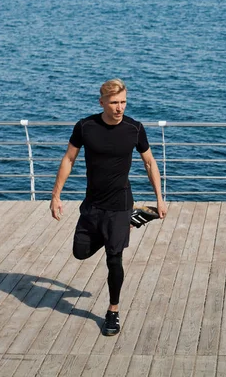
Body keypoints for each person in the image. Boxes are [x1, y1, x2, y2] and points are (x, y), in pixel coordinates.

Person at [49, 78, 167, 336]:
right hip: (92, 204)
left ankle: (113, 311)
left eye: (123, 102)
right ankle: (130, 223)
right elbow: (69, 159)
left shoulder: (134, 129)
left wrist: (160, 198)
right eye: (114, 102)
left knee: (114, 259)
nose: (119, 108)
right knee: (80, 252)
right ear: (101, 102)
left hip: (119, 204)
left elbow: (149, 163)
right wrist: (56, 195)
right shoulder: (85, 127)